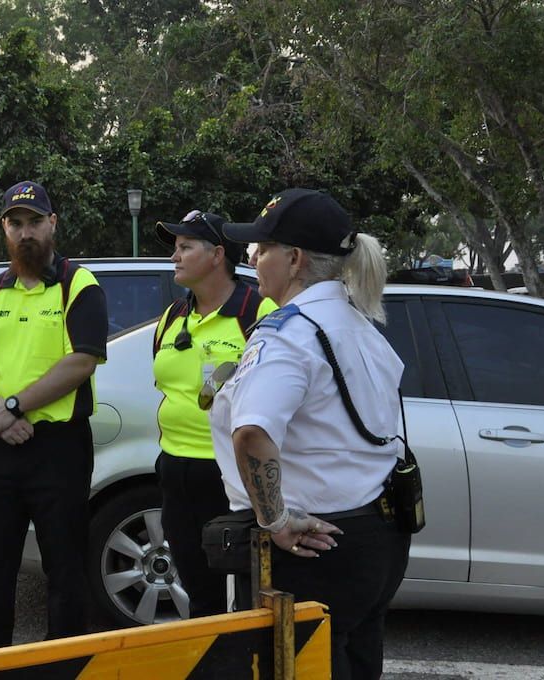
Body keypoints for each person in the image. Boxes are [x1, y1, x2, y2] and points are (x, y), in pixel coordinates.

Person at [210, 188, 410, 679]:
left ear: (294, 259)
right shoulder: (359, 324)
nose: (253, 259)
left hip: (316, 546)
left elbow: (253, 432)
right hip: (380, 535)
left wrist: (274, 520)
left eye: (262, 248)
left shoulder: (287, 332)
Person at [0, 180, 108, 651]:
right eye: (16, 223)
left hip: (57, 449)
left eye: (35, 222)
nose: (26, 233)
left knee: (65, 568)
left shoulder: (77, 284)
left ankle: (62, 665)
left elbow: (80, 360)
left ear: (52, 224)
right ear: (5, 228)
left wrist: (11, 406)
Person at [151, 210, 276, 618]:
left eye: (185, 247)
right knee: (198, 593)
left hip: (231, 479)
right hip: (175, 472)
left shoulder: (258, 311)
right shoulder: (172, 317)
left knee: (243, 595)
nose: (175, 257)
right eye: (176, 248)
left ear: (218, 254)